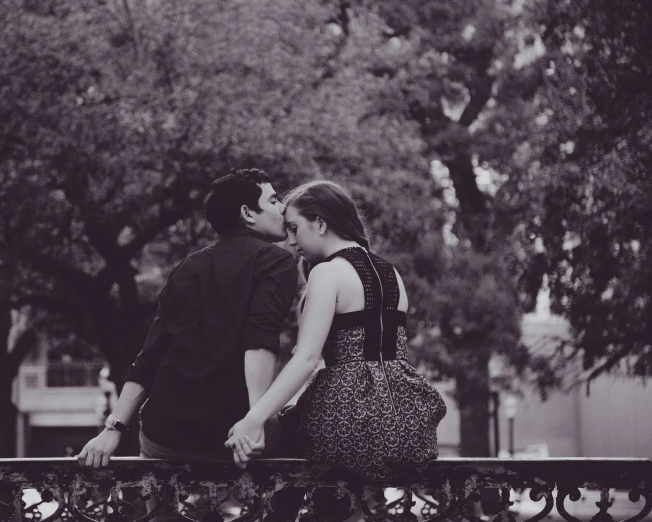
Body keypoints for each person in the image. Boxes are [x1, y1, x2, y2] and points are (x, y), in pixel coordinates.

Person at [226, 180, 446, 480]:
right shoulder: (392, 273)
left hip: (349, 418)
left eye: (293, 228)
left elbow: (306, 360)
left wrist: (255, 418)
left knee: (276, 448)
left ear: (319, 223)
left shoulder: (328, 273)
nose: (290, 241)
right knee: (342, 505)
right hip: (407, 424)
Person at [78, 169, 298, 468]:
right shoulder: (276, 260)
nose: (283, 208)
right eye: (273, 200)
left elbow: (150, 355)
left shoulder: (189, 265)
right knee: (304, 438)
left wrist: (112, 429)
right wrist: (255, 420)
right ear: (248, 213)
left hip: (164, 436)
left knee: (157, 506)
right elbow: (260, 338)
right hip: (231, 436)